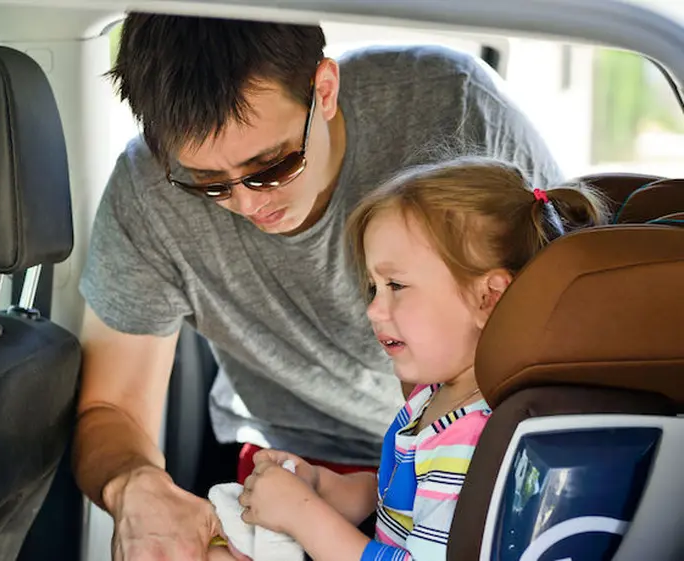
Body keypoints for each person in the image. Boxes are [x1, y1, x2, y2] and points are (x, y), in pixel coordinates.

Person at [73, 12, 564, 561]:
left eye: (271, 166)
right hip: (304, 468)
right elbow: (110, 408)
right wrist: (134, 488)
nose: (249, 204)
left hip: (480, 458)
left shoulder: (456, 109)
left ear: (323, 90)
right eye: (208, 185)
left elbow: (575, 318)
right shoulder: (147, 194)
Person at [228, 157, 610, 561]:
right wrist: (324, 487)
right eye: (373, 287)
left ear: (489, 298)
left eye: (396, 285)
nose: (374, 309)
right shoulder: (438, 397)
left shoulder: (470, 438)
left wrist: (303, 517)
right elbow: (405, 498)